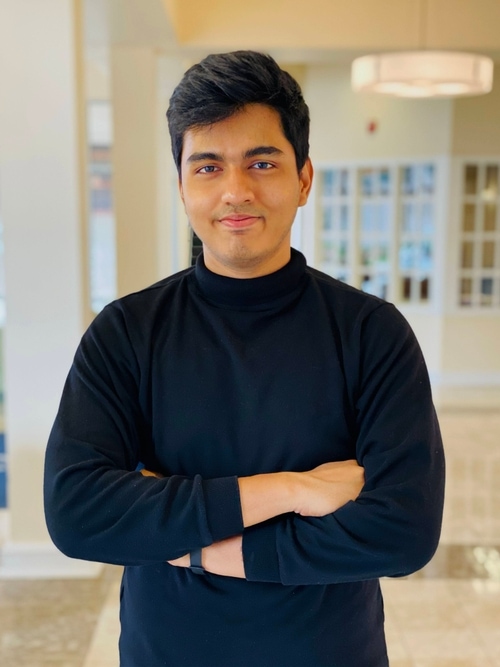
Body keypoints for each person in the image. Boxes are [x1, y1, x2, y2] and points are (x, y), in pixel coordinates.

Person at [44, 50, 445, 667]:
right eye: (208, 166)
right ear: (182, 184)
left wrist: (193, 545)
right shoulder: (126, 332)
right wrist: (293, 489)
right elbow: (78, 513)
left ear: (304, 179)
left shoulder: (371, 332)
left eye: (262, 162)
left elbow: (403, 531)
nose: (236, 191)